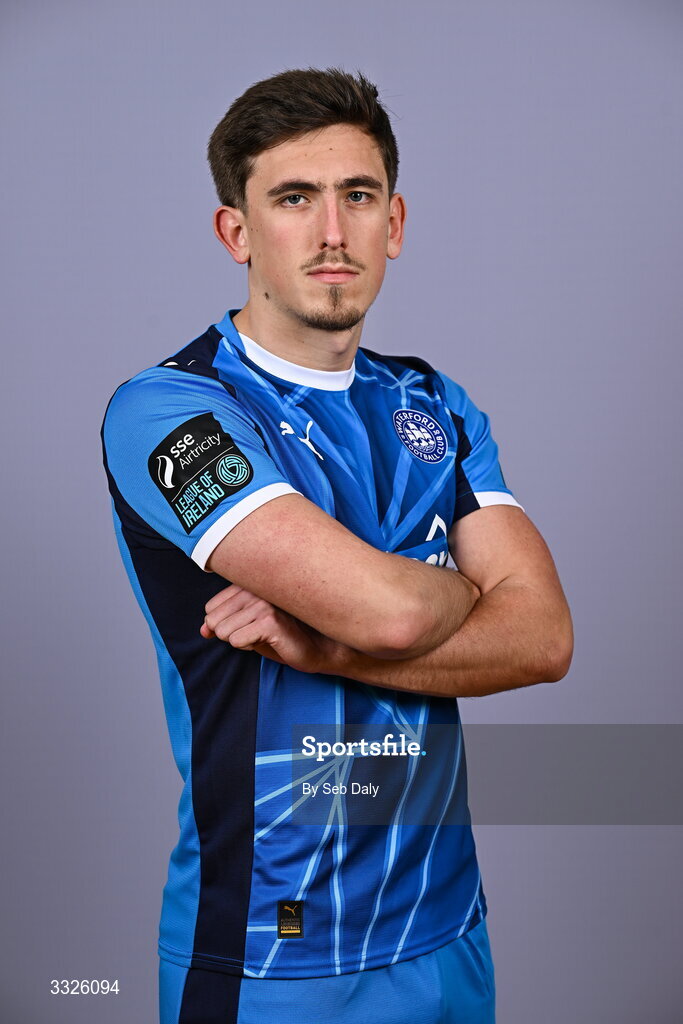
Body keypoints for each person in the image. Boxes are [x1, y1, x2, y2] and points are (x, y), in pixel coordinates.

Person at [101, 67, 573, 1024]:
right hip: (279, 953)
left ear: (392, 224)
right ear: (238, 231)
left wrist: (321, 642)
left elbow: (545, 642)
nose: (330, 232)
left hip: (449, 931)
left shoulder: (431, 404)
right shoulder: (171, 410)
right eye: (292, 198)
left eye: (356, 197)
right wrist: (455, 594)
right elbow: (395, 613)